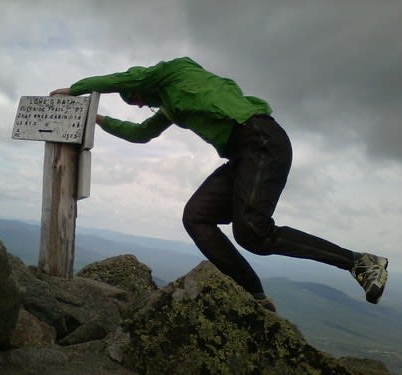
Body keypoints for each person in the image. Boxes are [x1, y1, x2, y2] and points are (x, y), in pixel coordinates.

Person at [50, 57, 388, 311]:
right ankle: (253, 294)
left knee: (253, 232)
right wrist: (98, 118)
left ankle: (360, 262)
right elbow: (141, 134)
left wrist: (76, 89)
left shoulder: (173, 70)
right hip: (242, 154)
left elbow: (126, 76)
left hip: (261, 139)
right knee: (196, 215)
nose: (135, 103)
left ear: (141, 84)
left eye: (132, 97)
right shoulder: (169, 106)